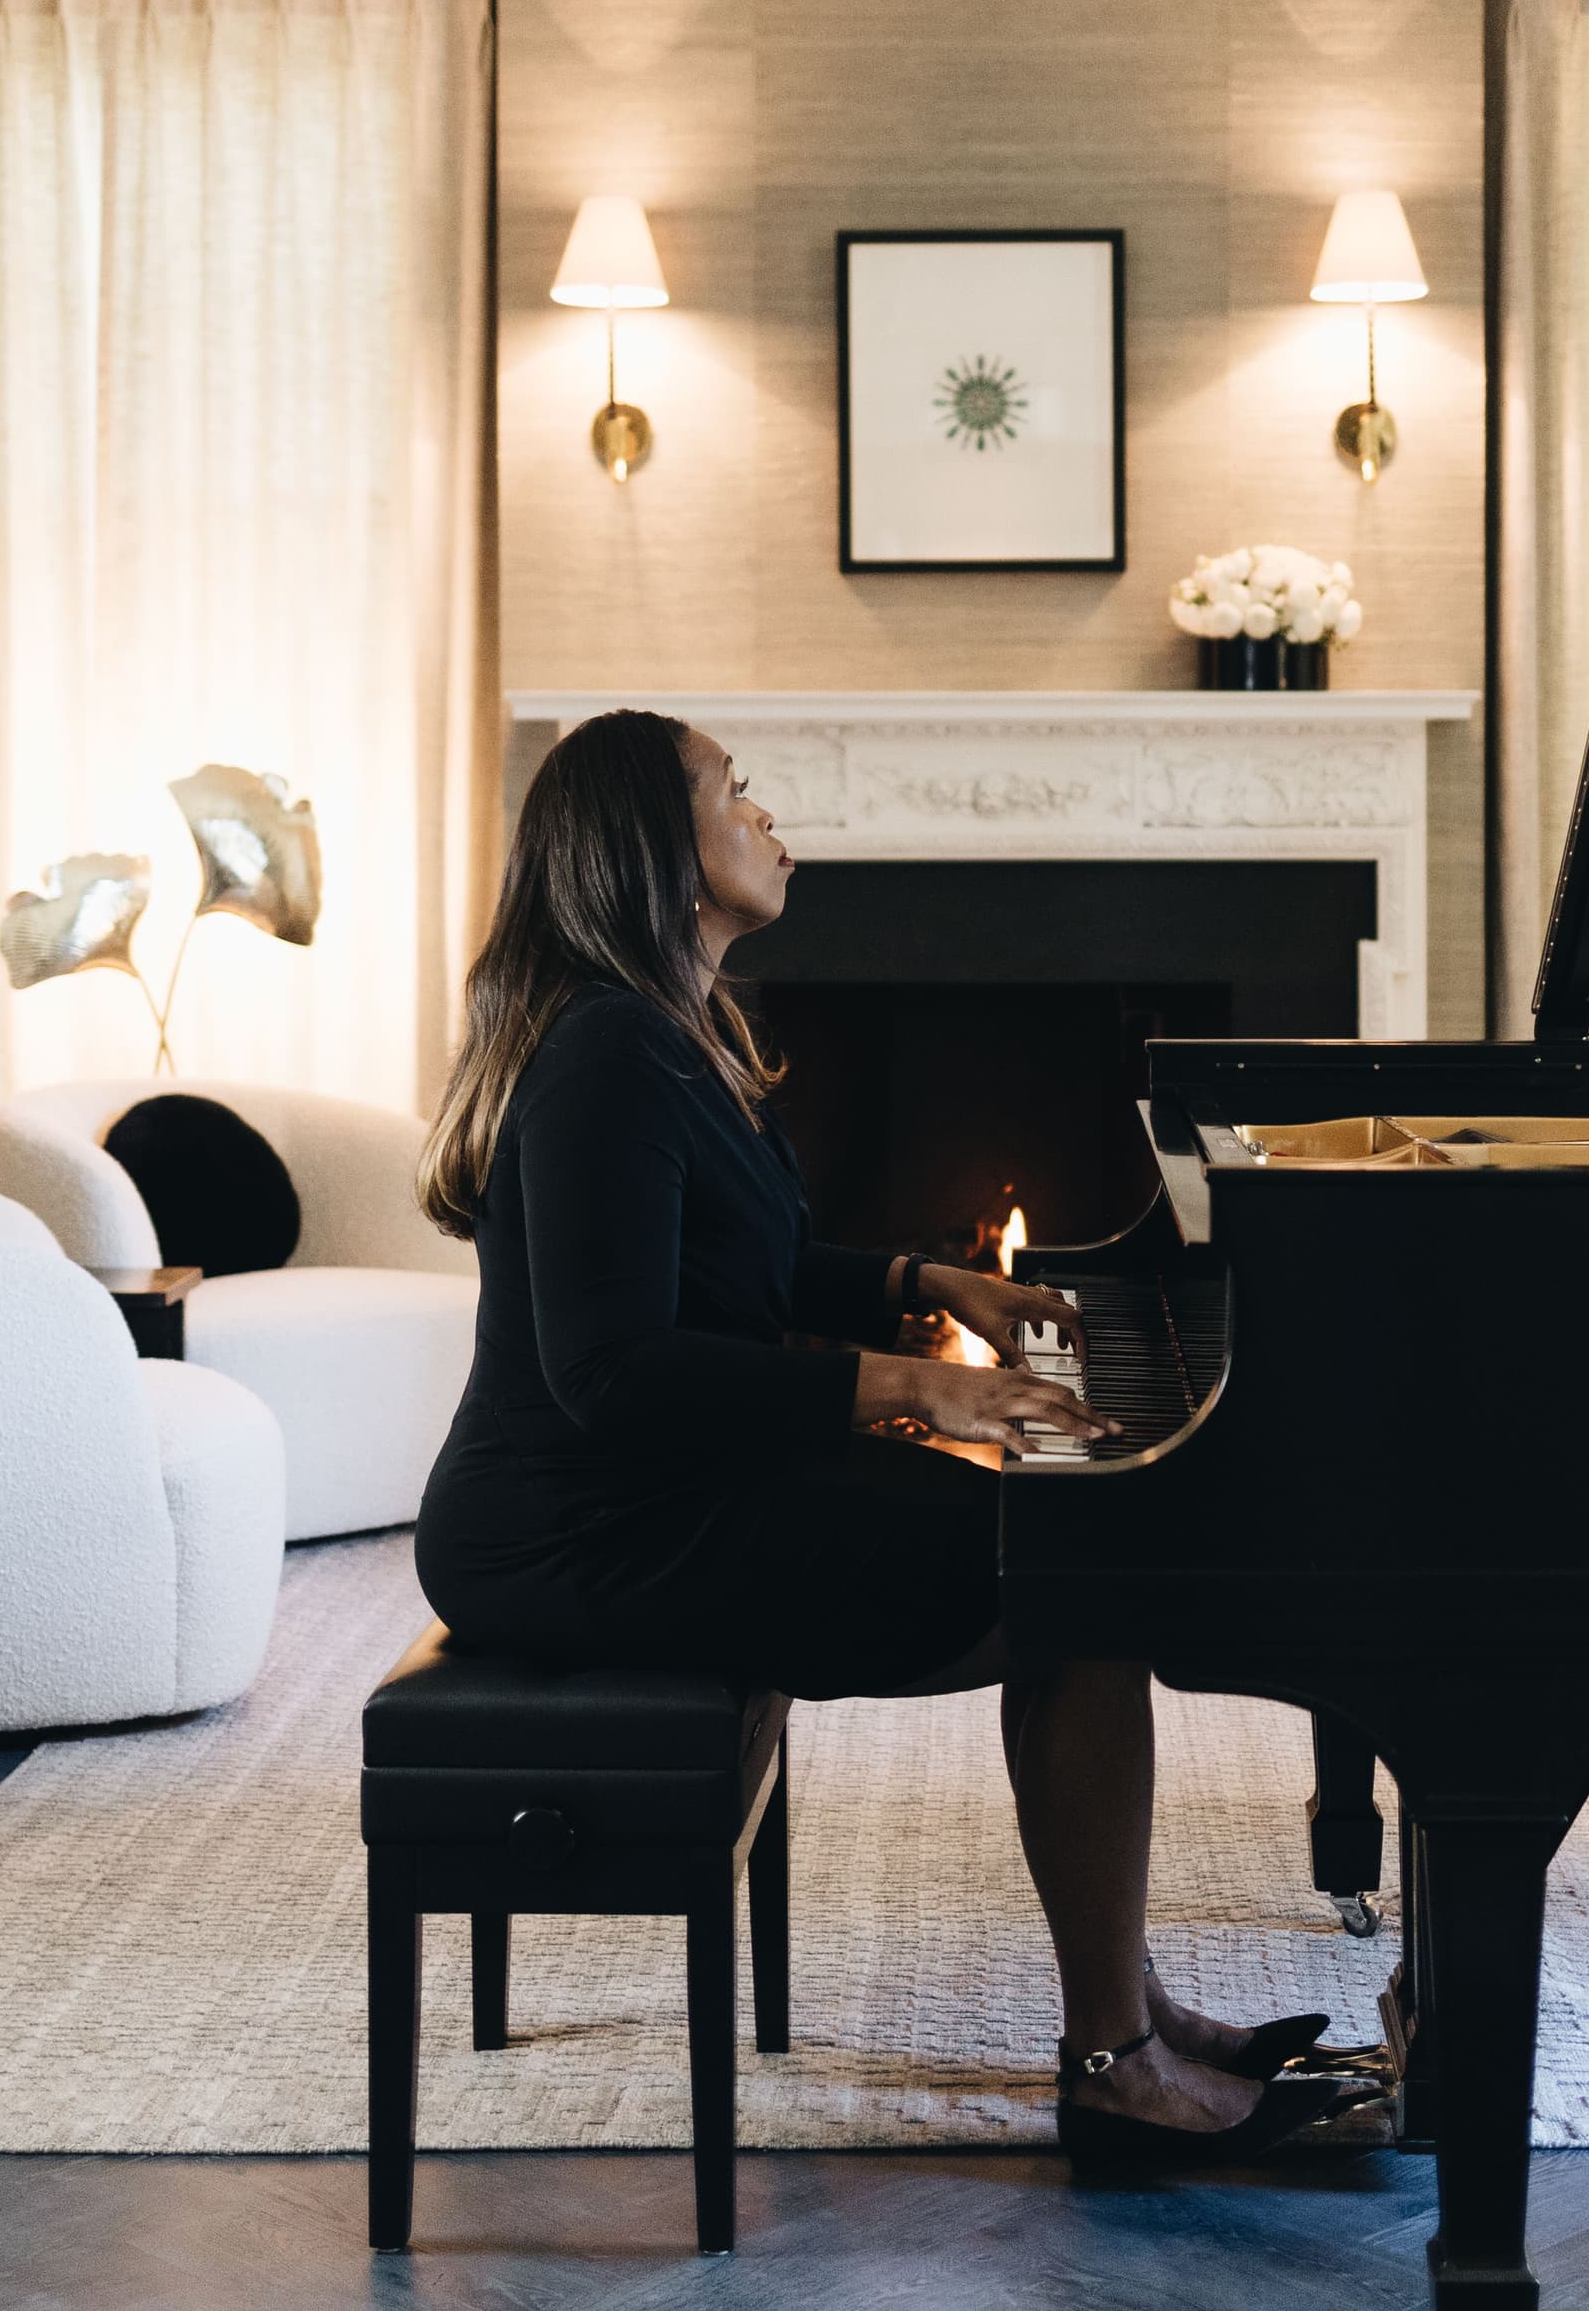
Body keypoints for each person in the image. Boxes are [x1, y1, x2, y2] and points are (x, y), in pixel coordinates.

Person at [413, 708, 1374, 2164]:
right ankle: (1115, 2060)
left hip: (664, 1489)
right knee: (1076, 1589)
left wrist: (937, 1287)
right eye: (732, 792)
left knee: (1062, 1553)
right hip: (580, 1532)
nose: (765, 811)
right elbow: (610, 1370)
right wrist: (918, 1387)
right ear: (663, 854)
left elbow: (745, 1272)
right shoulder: (610, 1054)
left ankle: (1137, 2015)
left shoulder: (670, 1036)